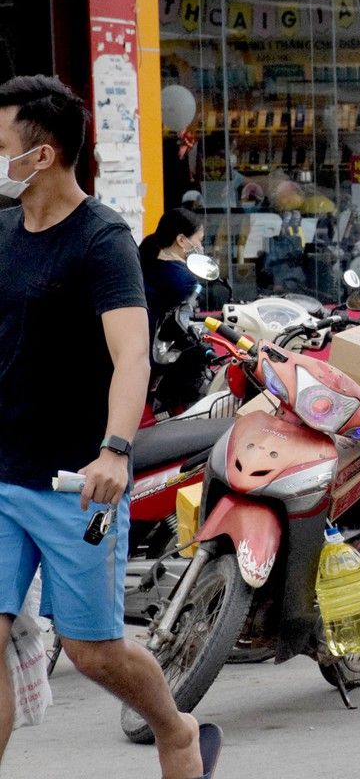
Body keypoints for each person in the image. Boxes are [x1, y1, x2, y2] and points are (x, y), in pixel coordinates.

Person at [0, 76, 211, 776]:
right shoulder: (1, 234)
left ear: (44, 154)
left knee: (92, 649)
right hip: (3, 472)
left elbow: (130, 356)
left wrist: (116, 450)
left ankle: (174, 728)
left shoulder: (102, 240)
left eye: (1, 144)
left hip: (75, 482)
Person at [138, 207, 205, 336]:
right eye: (200, 240)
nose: (201, 247)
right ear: (181, 240)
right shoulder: (185, 281)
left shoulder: (148, 262)